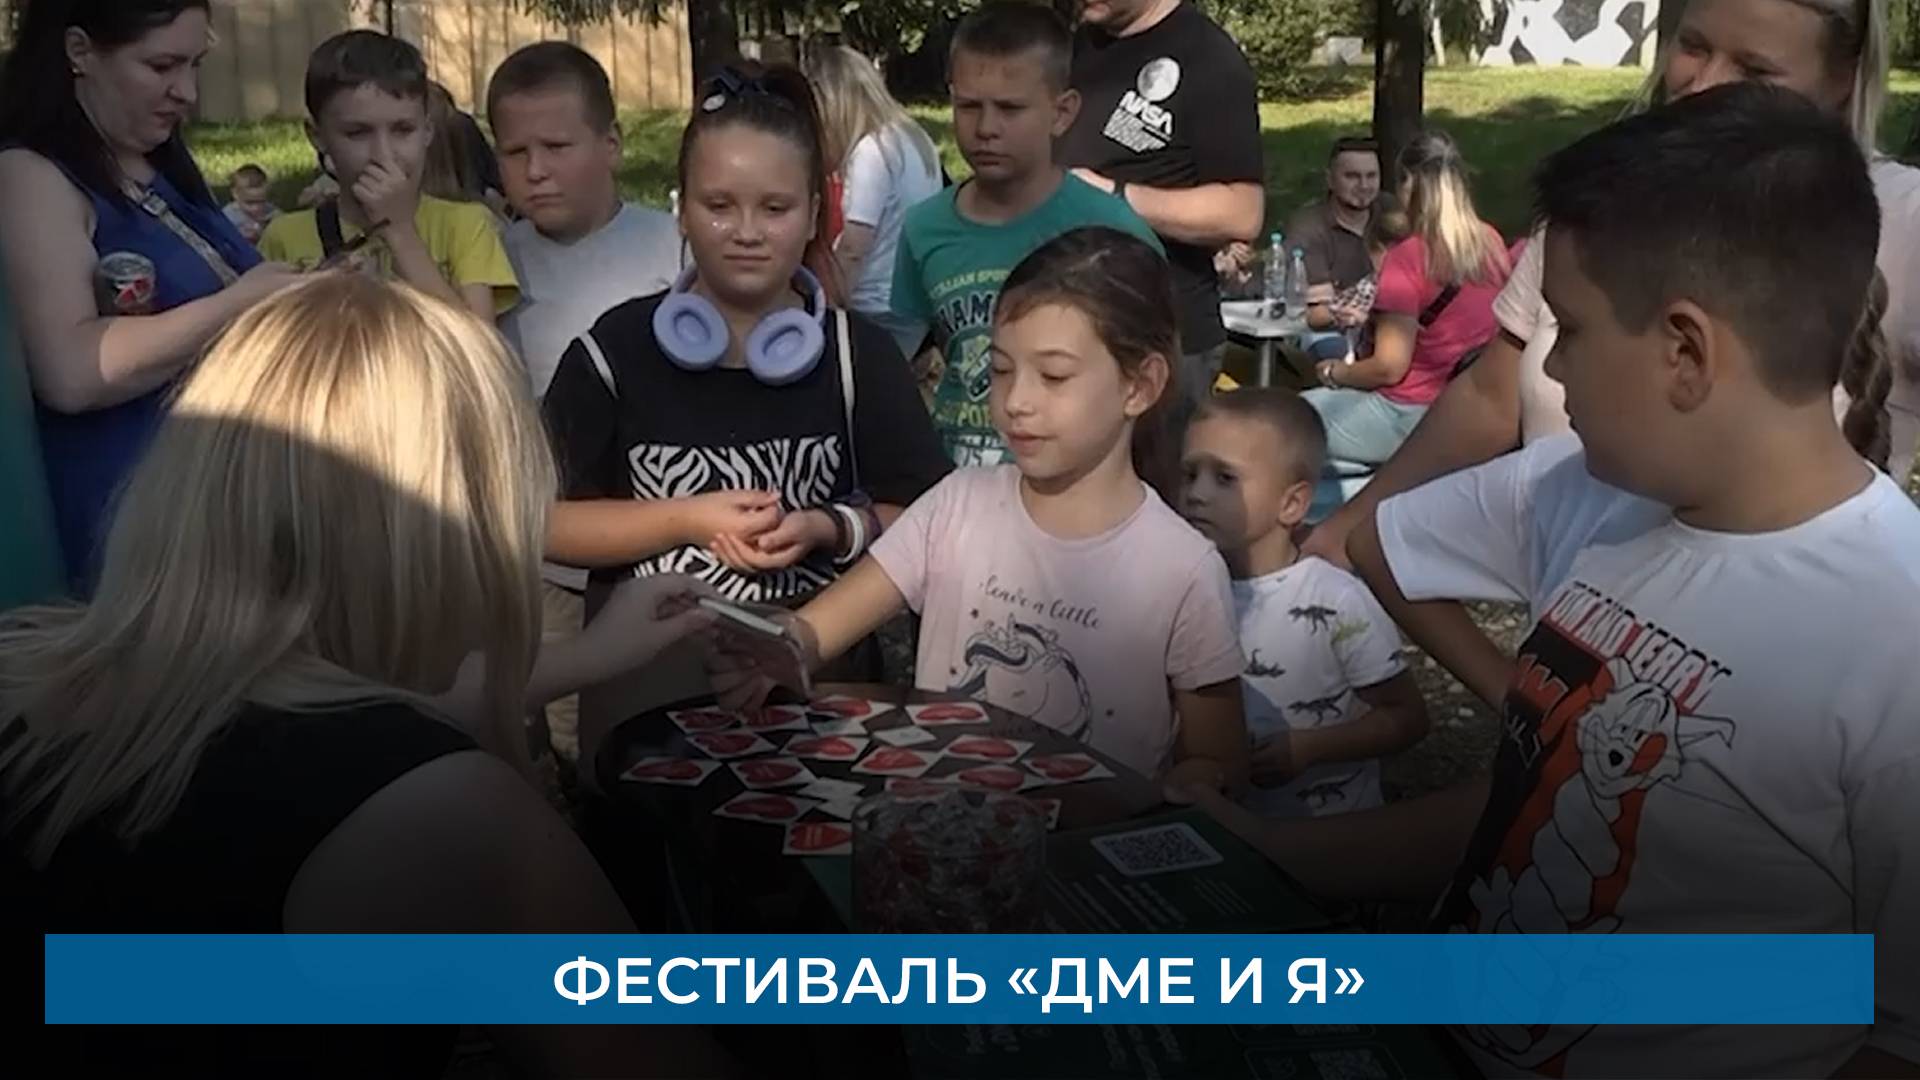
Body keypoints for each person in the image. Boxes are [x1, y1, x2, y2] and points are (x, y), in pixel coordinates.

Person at [1191, 85, 1919, 1079]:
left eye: (1566, 330)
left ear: (1685, 352)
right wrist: (1265, 850)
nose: (1552, 369)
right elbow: (1527, 800)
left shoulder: (1893, 640)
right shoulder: (1581, 490)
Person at [0, 274, 735, 1077]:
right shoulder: (441, 807)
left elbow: (323, 716)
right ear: (457, 523)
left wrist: (593, 655)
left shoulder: (27, 672)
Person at [1304, 0, 1920, 566]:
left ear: (1843, 78)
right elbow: (1492, 396)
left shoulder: (1905, 221)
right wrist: (1352, 526)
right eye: (1693, 46)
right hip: (1580, 626)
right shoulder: (1604, 201)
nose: (1704, 85)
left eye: (1755, 68)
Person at [721, 227, 1247, 787]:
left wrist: (1194, 785)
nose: (1016, 401)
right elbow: (813, 632)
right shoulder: (955, 505)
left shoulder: (1182, 570)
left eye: (1053, 376)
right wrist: (772, 650)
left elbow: (1219, 761)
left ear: (1140, 386)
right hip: (934, 827)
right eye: (1000, 370)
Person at [542, 64, 950, 766]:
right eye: (719, 205)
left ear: (815, 214)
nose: (747, 232)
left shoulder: (857, 356)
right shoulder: (615, 353)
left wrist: (829, 527)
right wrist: (686, 519)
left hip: (815, 689)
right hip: (647, 696)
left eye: (775, 208)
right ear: (681, 211)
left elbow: (932, 517)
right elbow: (545, 523)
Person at [0, 0, 302, 593]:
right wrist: (240, 304)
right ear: (79, 50)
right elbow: (70, 370)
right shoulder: (30, 175)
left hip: (215, 528)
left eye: (195, 64)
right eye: (161, 66)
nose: (186, 92)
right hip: (131, 553)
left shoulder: (154, 160)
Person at [489, 41, 684, 766]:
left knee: (662, 708)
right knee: (571, 731)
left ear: (611, 145)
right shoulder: (491, 264)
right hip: (550, 552)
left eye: (556, 147)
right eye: (515, 152)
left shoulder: (673, 248)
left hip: (662, 532)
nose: (535, 170)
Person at [891, 1, 1162, 468]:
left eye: (1010, 109)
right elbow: (902, 360)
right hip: (958, 481)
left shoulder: (1111, 230)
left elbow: (1152, 377)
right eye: (968, 106)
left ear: (1062, 112)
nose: (986, 128)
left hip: (1073, 487)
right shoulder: (923, 228)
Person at [1179, 389, 1427, 819]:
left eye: (1224, 478)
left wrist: (1312, 748)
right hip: (1218, 826)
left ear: (1291, 503)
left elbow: (1407, 718)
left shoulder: (1338, 600)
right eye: (1189, 474)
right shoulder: (1181, 584)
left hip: (1326, 839)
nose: (1196, 493)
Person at [1062, 0, 1265, 416]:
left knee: (1159, 460)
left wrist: (1110, 195)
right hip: (1073, 321)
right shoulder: (1078, 46)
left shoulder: (1208, 58)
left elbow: (1242, 211)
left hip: (1163, 341)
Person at [1302, 131, 1512, 517]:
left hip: (1408, 413)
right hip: (1467, 407)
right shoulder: (1490, 242)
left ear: (1408, 184)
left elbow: (1388, 368)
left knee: (1285, 423)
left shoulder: (1409, 257)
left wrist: (1333, 373)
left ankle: (1334, 515)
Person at [258, 30, 517, 324]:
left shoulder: (466, 225)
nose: (384, 154)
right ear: (317, 136)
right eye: (357, 133)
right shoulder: (285, 237)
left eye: (403, 130)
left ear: (427, 132)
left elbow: (476, 343)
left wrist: (400, 233)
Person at [805, 44, 944, 361]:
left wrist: (825, 306)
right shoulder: (914, 138)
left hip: (874, 305)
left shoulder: (872, 152)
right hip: (912, 300)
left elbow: (854, 248)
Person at [1285, 136, 1387, 360]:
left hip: (1391, 322)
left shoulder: (1392, 214)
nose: (1364, 186)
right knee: (1333, 350)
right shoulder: (1309, 227)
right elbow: (1316, 314)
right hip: (1328, 331)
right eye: (1352, 176)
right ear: (1330, 180)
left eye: (1371, 176)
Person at [222, 163, 279, 245]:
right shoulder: (228, 217)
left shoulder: (271, 213)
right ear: (235, 195)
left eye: (261, 202)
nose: (256, 208)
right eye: (250, 203)